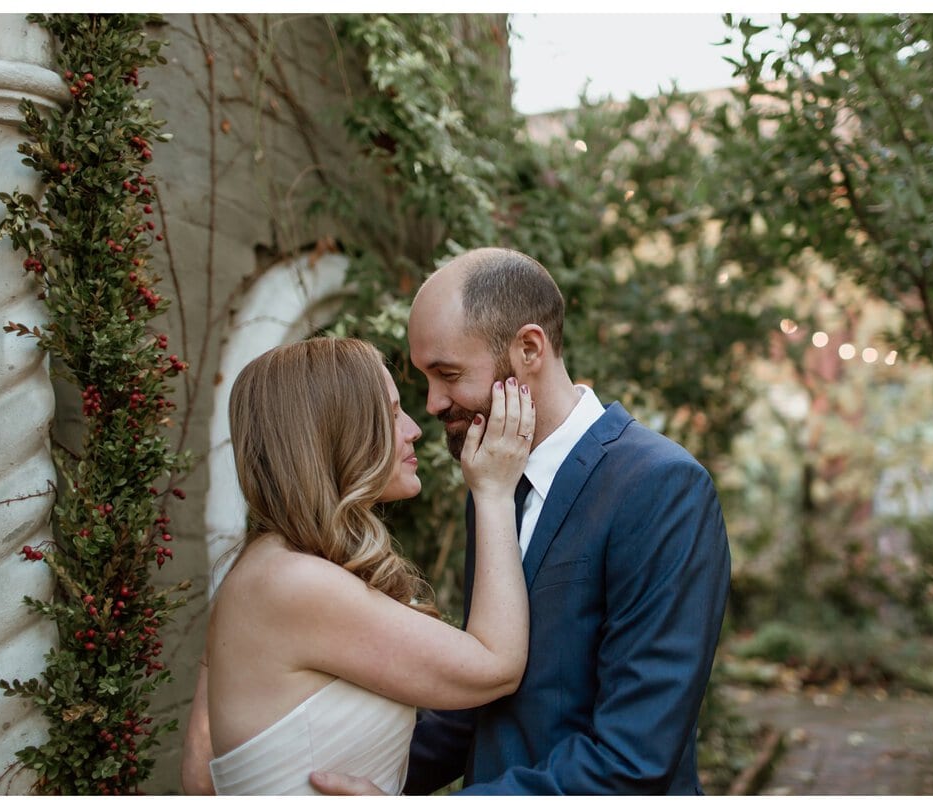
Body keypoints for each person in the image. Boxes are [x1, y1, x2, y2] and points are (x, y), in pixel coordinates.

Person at [310, 247, 732, 795]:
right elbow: (482, 698)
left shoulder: (661, 487)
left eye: (449, 374)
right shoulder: (493, 484)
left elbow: (634, 757)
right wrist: (354, 784)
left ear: (529, 348)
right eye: (426, 378)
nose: (433, 403)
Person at [179, 336, 536, 795]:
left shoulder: (263, 571)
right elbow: (497, 667)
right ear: (336, 431)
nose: (413, 429)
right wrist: (493, 490)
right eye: (390, 413)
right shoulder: (294, 582)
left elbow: (199, 774)